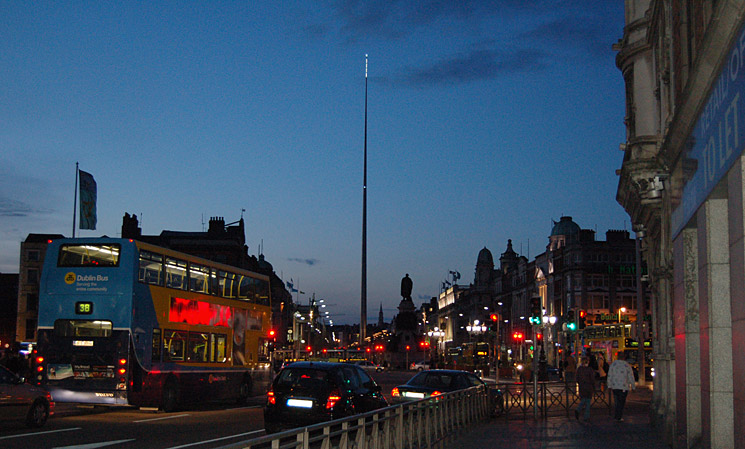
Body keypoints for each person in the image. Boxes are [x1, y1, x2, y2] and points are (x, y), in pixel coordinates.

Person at [607, 351, 636, 421]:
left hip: (615, 386)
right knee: (621, 402)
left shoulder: (613, 365)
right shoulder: (627, 365)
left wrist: (609, 386)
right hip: (624, 387)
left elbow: (609, 376)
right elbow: (631, 376)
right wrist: (633, 386)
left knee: (617, 401)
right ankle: (618, 416)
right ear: (624, 357)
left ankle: (617, 415)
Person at [574, 356, 595, 421]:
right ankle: (586, 416)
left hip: (582, 386)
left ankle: (578, 409)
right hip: (588, 386)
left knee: (583, 399)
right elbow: (592, 379)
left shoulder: (579, 369)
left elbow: (577, 378)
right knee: (588, 401)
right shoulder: (590, 370)